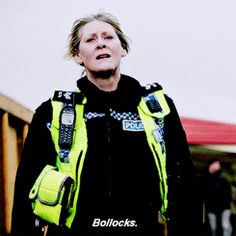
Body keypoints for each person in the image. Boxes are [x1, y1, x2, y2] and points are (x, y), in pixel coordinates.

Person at [11, 12, 203, 235]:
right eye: (90, 39)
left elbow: (186, 186)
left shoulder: (157, 110)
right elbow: (27, 189)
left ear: (123, 49)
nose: (100, 43)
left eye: (108, 37)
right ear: (77, 55)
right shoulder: (52, 113)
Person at [202, 158, 232, 236]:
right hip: (211, 207)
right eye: (215, 164)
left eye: (218, 164)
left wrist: (227, 201)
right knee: (213, 227)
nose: (216, 166)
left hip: (224, 206)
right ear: (210, 165)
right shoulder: (205, 178)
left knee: (225, 226)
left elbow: (228, 193)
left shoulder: (222, 178)